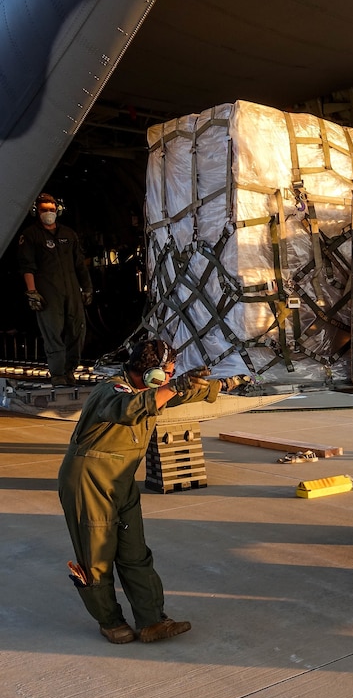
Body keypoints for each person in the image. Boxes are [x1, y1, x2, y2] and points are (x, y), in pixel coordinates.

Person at [58, 339, 219, 644]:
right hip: (89, 479)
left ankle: (151, 621)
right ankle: (109, 621)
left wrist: (219, 385)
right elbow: (127, 410)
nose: (170, 380)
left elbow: (179, 394)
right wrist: (173, 387)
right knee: (97, 556)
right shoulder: (113, 391)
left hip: (121, 479)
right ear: (151, 375)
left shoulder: (150, 392)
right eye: (167, 375)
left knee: (135, 553)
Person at [17, 193, 93, 386]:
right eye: (44, 210)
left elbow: (80, 265)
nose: (48, 213)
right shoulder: (30, 235)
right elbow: (27, 266)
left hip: (72, 291)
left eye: (51, 209)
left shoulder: (68, 234)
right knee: (53, 333)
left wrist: (87, 288)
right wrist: (32, 292)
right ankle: (58, 374)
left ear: (57, 210)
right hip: (48, 293)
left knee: (77, 331)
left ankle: (70, 371)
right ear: (36, 211)